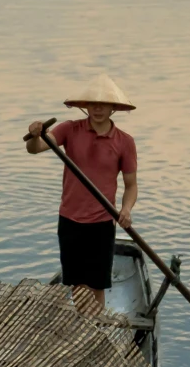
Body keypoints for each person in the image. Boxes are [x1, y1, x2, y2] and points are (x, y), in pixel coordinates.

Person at [23, 73, 139, 312]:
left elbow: (131, 186)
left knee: (97, 284)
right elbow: (36, 149)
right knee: (78, 284)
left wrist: (126, 209)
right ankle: (88, 327)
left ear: (113, 108)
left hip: (102, 221)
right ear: (85, 107)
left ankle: (95, 328)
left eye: (104, 104)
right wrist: (35, 135)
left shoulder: (124, 142)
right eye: (93, 103)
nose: (97, 108)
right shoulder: (69, 129)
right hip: (70, 219)